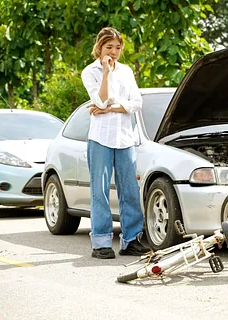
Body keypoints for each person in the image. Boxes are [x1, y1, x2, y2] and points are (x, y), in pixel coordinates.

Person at [81, 27, 149, 259]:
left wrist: (112, 107)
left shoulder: (128, 71)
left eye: (118, 47)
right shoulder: (89, 72)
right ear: (99, 47)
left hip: (125, 139)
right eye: (109, 46)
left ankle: (131, 240)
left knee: (129, 190)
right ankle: (100, 242)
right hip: (100, 139)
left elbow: (137, 102)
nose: (115, 51)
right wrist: (107, 73)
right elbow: (99, 100)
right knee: (99, 192)